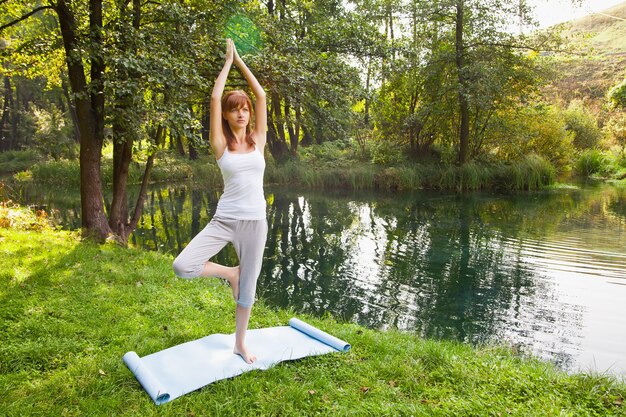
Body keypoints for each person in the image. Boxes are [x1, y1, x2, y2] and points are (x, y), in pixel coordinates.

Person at [172, 39, 267, 364]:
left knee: (248, 291)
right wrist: (227, 62)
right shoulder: (220, 145)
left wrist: (241, 61)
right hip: (224, 220)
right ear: (226, 115)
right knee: (183, 266)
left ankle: (240, 343)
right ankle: (229, 272)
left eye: (244, 109)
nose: (241, 113)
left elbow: (262, 95)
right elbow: (214, 97)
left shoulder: (259, 140)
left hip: (255, 223)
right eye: (234, 109)